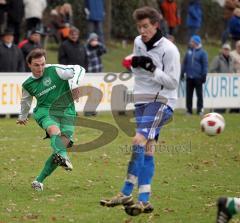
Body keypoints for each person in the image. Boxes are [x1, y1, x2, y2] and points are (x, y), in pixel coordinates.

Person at [100, 6, 180, 216]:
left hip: (162, 101)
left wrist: (153, 68)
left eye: (146, 26)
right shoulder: (137, 42)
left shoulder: (169, 50)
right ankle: (144, 199)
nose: (142, 31)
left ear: (156, 25)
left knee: (138, 140)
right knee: (148, 147)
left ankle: (125, 192)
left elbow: (172, 82)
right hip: (142, 100)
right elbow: (138, 72)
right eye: (139, 27)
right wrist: (134, 64)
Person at [16, 48, 85, 191]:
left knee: (60, 146)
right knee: (54, 131)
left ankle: (38, 181)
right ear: (29, 64)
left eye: (42, 64)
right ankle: (63, 156)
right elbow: (26, 102)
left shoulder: (56, 70)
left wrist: (74, 85)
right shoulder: (28, 84)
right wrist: (23, 117)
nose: (40, 68)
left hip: (67, 111)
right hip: (45, 112)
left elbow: (79, 68)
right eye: (36, 65)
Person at [181, 35, 208, 115]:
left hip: (198, 77)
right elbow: (184, 63)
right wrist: (182, 73)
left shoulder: (203, 53)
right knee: (189, 95)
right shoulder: (189, 51)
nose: (190, 43)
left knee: (199, 95)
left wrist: (204, 75)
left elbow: (205, 65)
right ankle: (189, 110)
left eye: (192, 41)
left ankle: (200, 110)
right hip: (189, 77)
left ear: (196, 42)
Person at [210, 43, 235, 113]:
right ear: (222, 50)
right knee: (218, 99)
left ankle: (226, 110)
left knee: (226, 99)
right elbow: (212, 69)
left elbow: (232, 69)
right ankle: (217, 111)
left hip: (228, 83)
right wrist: (217, 74)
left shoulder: (231, 60)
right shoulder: (217, 59)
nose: (226, 51)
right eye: (225, 49)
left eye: (228, 50)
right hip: (219, 83)